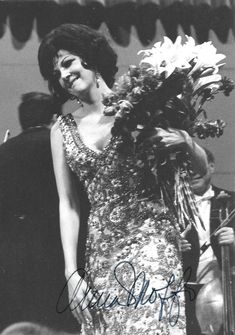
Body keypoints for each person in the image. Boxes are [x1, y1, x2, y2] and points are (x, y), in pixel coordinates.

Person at [38, 23, 208, 335]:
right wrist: (71, 271)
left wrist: (185, 139)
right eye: (56, 73)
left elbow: (201, 175)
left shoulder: (141, 104)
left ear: (89, 57)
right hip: (101, 251)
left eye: (67, 62)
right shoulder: (60, 129)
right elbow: (69, 204)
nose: (63, 75)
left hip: (152, 239)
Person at [0, 92, 80, 332]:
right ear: (55, 118)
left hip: (15, 253)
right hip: (58, 245)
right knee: (59, 320)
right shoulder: (62, 146)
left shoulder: (4, 151)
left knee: (23, 319)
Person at [181, 148, 235, 335]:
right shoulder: (172, 205)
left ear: (211, 167)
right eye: (186, 167)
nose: (192, 172)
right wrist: (172, 246)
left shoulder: (233, 201)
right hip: (186, 290)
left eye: (197, 166)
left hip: (227, 289)